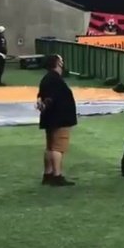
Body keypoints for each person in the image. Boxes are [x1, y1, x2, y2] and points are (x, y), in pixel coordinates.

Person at [36, 54, 77, 186]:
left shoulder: (46, 79)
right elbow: (51, 99)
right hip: (59, 118)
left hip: (50, 118)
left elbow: (42, 97)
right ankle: (57, 175)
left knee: (50, 146)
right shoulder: (56, 80)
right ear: (57, 63)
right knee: (58, 148)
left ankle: (48, 174)